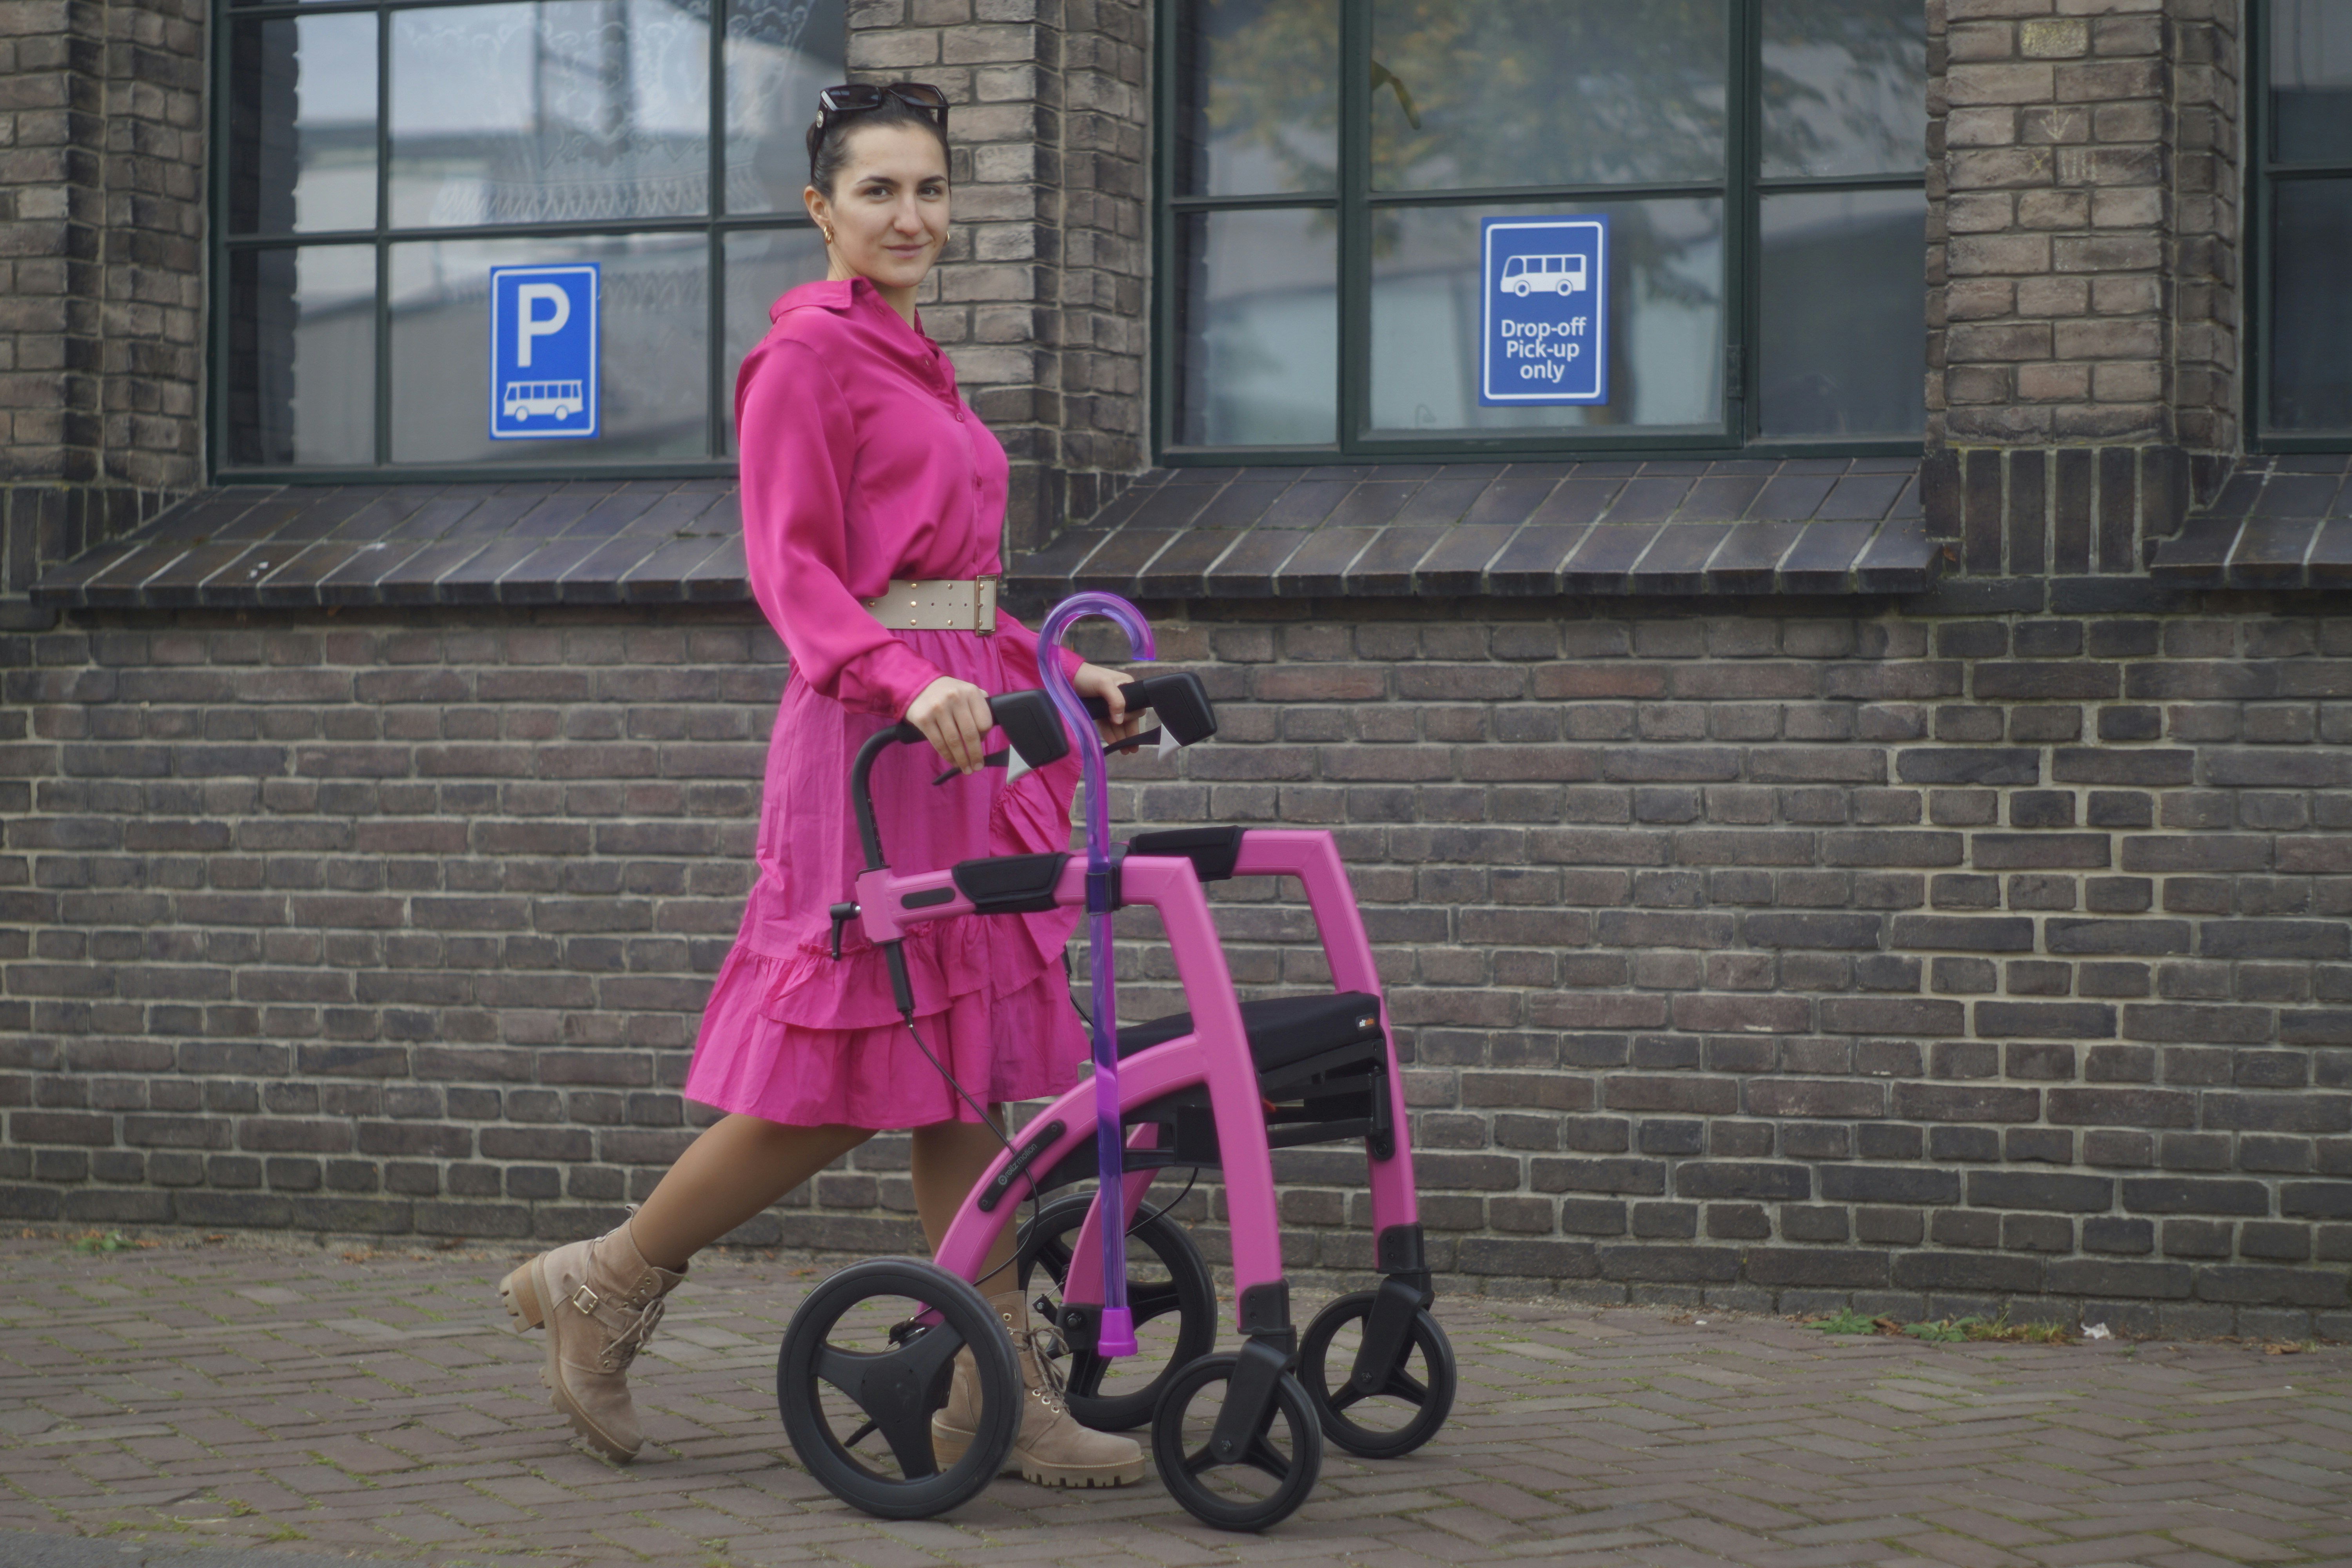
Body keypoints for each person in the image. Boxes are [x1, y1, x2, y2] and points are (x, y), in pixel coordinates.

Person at [495, 80, 1149, 1490]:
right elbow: (795, 574)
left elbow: (956, 592)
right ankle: (607, 1283)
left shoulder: (921, 361)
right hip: (873, 742)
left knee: (953, 1072)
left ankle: (992, 1389)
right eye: (877, 192)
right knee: (848, 1073)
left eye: (928, 190)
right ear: (822, 210)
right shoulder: (804, 359)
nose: (908, 216)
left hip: (960, 731)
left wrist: (1057, 677)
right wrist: (906, 683)